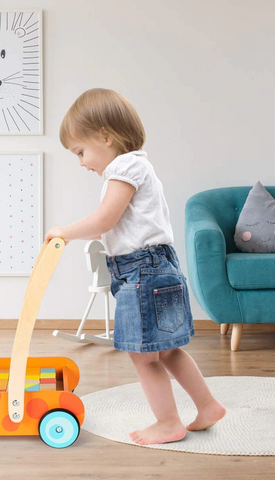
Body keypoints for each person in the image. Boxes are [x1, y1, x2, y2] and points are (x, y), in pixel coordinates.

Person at [45, 88, 226, 445]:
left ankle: (168, 422)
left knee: (143, 357)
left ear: (106, 137)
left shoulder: (124, 166)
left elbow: (105, 220)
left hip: (142, 272)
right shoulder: (139, 166)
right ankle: (207, 405)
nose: (81, 162)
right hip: (158, 266)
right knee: (168, 350)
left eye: (81, 151)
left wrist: (64, 232)